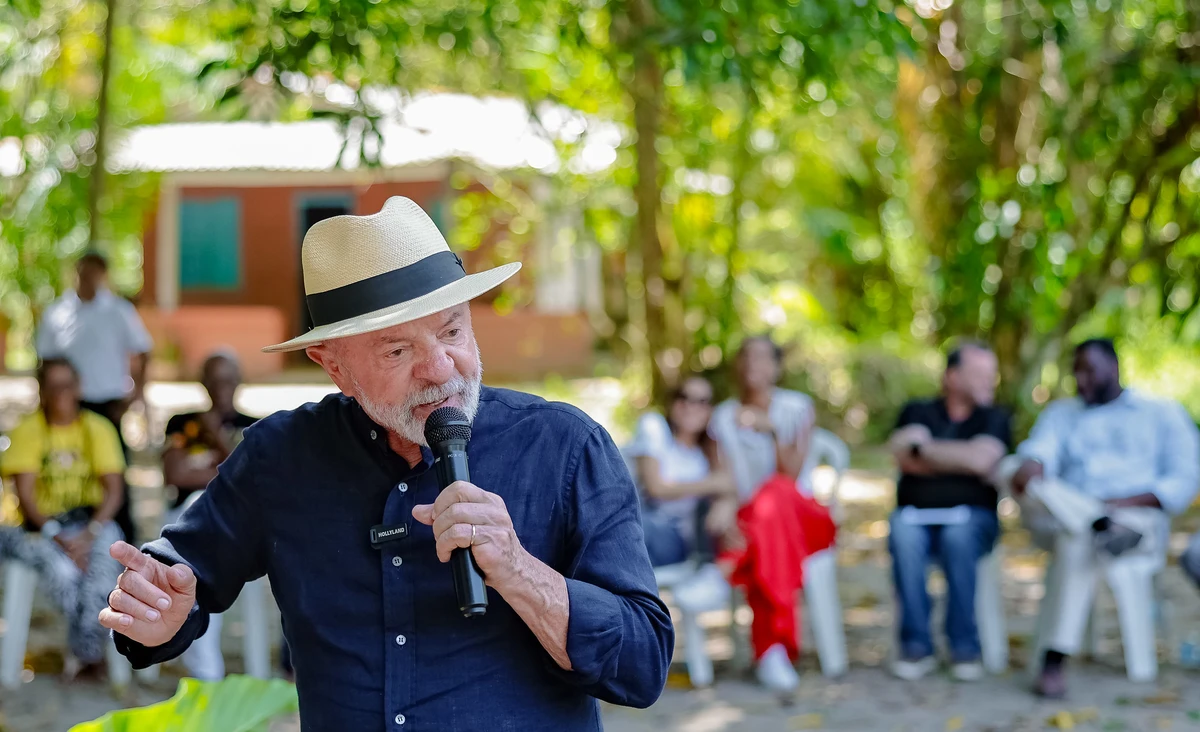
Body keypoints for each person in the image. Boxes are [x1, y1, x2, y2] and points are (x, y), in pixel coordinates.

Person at [101, 196, 672, 729]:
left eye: (452, 330)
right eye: (398, 351)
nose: (442, 369)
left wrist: (520, 572)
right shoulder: (280, 456)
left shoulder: (566, 449)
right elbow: (176, 583)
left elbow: (643, 666)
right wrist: (157, 618)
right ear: (333, 366)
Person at [1001, 338, 1200, 698]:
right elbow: (1039, 452)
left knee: (1077, 539)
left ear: (1114, 368)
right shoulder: (1062, 414)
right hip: (1068, 513)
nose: (1080, 379)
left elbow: (1184, 481)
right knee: (1010, 468)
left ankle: (1054, 658)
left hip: (1136, 523)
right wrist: (1032, 464)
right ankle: (1096, 521)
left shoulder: (1161, 413)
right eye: (1075, 371)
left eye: (1088, 370)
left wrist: (1119, 504)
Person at [708, 336, 835, 693]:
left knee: (775, 492)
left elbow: (791, 476)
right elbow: (725, 483)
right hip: (759, 527)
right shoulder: (722, 417)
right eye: (745, 356)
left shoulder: (797, 408)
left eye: (763, 357)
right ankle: (774, 651)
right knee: (766, 529)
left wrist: (772, 432)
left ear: (777, 367)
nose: (753, 364)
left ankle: (727, 566)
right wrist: (728, 516)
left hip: (804, 520)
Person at [887, 342, 1010, 682]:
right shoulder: (916, 410)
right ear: (952, 377)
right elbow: (901, 455)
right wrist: (963, 459)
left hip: (974, 519)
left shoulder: (995, 417)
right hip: (915, 516)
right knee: (902, 532)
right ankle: (916, 645)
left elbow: (983, 460)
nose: (990, 381)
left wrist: (926, 451)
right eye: (980, 373)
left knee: (959, 536)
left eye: (992, 373)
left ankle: (963, 646)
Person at [0, 359, 125, 679]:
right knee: (64, 575)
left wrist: (89, 533)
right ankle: (89, 654)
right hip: (39, 529)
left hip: (89, 521)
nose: (61, 394)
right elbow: (26, 498)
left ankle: (84, 651)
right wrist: (58, 535)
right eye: (53, 386)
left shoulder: (98, 428)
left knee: (104, 564)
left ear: (79, 387)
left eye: (67, 385)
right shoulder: (28, 431)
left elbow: (114, 491)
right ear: (41, 391)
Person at [36, 251, 152, 543]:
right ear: (75, 272)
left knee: (115, 471)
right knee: (74, 468)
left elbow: (143, 349)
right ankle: (76, 533)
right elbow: (44, 362)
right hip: (68, 407)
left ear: (103, 275)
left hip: (109, 404)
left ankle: (126, 540)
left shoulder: (118, 310)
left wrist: (135, 394)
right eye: (84, 272)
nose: (89, 279)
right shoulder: (58, 312)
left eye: (95, 273)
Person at [160, 351, 258, 681]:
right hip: (188, 517)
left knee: (201, 566)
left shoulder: (254, 427)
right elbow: (174, 476)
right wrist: (223, 472)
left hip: (235, 526)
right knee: (203, 507)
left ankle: (206, 674)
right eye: (214, 380)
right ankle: (205, 673)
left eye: (228, 380)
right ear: (202, 383)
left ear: (239, 382)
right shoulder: (181, 423)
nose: (221, 388)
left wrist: (215, 438)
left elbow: (248, 480)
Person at [628, 376, 732, 568]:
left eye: (702, 401)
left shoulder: (707, 453)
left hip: (675, 539)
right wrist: (712, 483)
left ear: (711, 410)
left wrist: (726, 502)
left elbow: (729, 485)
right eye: (684, 397)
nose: (690, 406)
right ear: (672, 402)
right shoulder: (654, 427)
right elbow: (656, 488)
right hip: (640, 522)